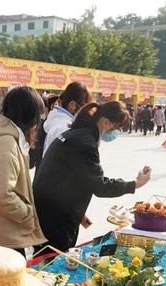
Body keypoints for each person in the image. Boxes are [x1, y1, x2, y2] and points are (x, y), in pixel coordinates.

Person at [34, 101, 151, 252]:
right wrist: (135, 183)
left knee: (45, 258)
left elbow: (71, 179)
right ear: (106, 122)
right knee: (52, 263)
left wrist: (80, 216)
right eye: (115, 128)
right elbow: (99, 186)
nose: (114, 133)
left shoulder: (76, 134)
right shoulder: (85, 143)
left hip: (50, 209)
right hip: (55, 216)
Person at [0, 86, 46, 256]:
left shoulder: (4, 135)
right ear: (30, 116)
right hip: (1, 237)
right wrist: (27, 213)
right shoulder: (7, 144)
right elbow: (0, 195)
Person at [43, 82, 92, 156]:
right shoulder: (64, 128)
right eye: (85, 108)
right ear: (72, 105)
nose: (87, 112)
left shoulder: (58, 121)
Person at [30, 94, 58, 170]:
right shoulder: (41, 124)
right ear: (46, 109)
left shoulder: (55, 124)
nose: (56, 110)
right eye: (54, 107)